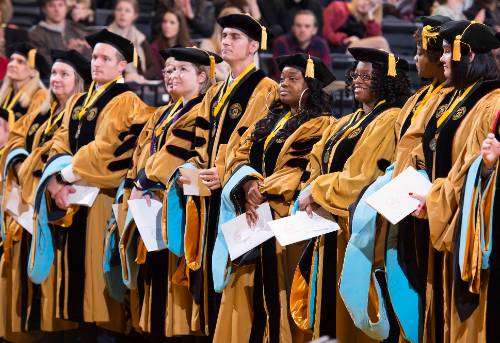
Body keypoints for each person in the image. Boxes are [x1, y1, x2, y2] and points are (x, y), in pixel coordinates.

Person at [27, 29, 154, 336]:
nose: (96, 63)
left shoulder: (126, 101)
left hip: (103, 200)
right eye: (95, 56)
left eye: (105, 58)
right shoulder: (80, 101)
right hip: (72, 200)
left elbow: (106, 149)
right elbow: (58, 143)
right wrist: (55, 183)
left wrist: (64, 176)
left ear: (122, 64)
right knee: (76, 286)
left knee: (99, 283)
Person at [337, 15, 454, 343]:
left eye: (422, 50)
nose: (416, 56)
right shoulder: (419, 98)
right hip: (398, 201)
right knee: (398, 278)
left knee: (416, 283)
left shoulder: (447, 98)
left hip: (420, 204)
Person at [168, 13, 278, 338]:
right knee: (207, 278)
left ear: (254, 46)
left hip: (236, 197)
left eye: (235, 37)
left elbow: (255, 143)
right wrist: (193, 168)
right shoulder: (216, 92)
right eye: (224, 35)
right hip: (207, 195)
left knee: (237, 282)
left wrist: (225, 172)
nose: (226, 41)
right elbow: (198, 139)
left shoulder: (265, 89)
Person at [213, 53, 334, 342]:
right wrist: (247, 182)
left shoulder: (321, 124)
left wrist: (263, 191)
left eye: (293, 79)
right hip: (253, 215)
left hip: (283, 219)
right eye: (282, 78)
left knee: (277, 293)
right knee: (244, 291)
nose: (284, 83)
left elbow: (300, 169)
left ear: (311, 86)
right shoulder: (269, 120)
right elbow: (238, 154)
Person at [295, 48, 411, 342]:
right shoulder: (347, 121)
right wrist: (310, 187)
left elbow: (362, 177)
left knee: (352, 315)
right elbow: (316, 159)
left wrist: (317, 190)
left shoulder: (389, 119)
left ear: (385, 81)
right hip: (328, 226)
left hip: (356, 231)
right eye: (355, 74)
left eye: (366, 76)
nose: (357, 80)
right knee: (327, 310)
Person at [120, 47, 222, 338]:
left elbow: (169, 158)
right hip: (151, 204)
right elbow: (141, 152)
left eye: (181, 70)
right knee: (154, 280)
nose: (172, 75)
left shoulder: (201, 111)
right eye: (169, 70)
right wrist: (134, 184)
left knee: (175, 285)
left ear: (202, 77)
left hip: (179, 207)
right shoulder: (164, 112)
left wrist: (143, 181)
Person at [408, 20, 500, 342]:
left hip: (464, 229)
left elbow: (470, 168)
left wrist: (432, 198)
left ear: (469, 55)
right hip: (439, 219)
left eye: (448, 51)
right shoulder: (454, 99)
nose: (443, 58)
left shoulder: (492, 102)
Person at [0, 49, 90, 341]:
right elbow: (15, 139)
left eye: (64, 74)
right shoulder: (42, 112)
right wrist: (18, 163)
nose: (56, 79)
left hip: (61, 205)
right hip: (28, 202)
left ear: (78, 81)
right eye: (53, 73)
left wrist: (44, 179)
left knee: (57, 279)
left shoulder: (79, 116)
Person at [108, 0, 160, 82]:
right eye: (119, 10)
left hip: (138, 84)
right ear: (114, 12)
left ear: (135, 15)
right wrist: (125, 77)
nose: (122, 13)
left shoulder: (140, 39)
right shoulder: (105, 37)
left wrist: (139, 77)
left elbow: (153, 68)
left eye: (127, 11)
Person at [0, 43, 49, 129]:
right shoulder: (5, 93)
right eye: (11, 60)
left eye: (20, 62)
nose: (12, 64)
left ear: (33, 72)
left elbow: (29, 129)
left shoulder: (40, 95)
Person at [272, 10, 331, 79]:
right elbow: (283, 73)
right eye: (298, 25)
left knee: (340, 85)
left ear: (314, 30)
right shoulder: (281, 43)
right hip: (286, 85)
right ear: (293, 28)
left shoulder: (321, 44)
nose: (302, 30)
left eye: (307, 26)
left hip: (315, 85)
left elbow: (326, 73)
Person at [28, 0, 92, 64]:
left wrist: (82, 50)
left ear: (66, 8)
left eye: (60, 5)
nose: (57, 10)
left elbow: (90, 55)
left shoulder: (76, 28)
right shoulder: (36, 34)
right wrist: (68, 52)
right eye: (52, 6)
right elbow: (44, 63)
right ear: (44, 9)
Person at [323, 0, 389, 53]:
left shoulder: (367, 20)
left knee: (379, 45)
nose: (366, 4)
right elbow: (324, 31)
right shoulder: (337, 7)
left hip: (358, 50)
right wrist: (344, 39)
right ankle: (392, 69)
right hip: (339, 47)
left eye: (371, 4)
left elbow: (375, 37)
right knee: (381, 42)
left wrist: (371, 16)